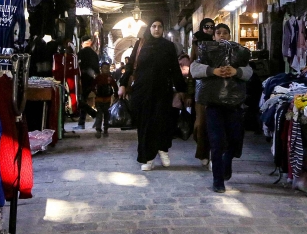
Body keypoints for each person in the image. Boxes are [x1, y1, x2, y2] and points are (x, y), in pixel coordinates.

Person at [118, 19, 186, 171]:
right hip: (142, 91)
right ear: (149, 28)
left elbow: (175, 69)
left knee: (162, 121)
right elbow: (130, 65)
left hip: (163, 90)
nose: (156, 29)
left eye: (159, 26)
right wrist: (122, 84)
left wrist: (182, 90)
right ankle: (147, 158)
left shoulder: (168, 46)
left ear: (163, 29)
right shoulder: (141, 44)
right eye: (154, 26)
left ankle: (162, 149)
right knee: (145, 124)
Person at [191, 23, 252, 193]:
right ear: (214, 36)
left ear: (230, 35)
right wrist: (213, 71)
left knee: (234, 141)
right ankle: (218, 181)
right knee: (216, 142)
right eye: (218, 33)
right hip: (214, 105)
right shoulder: (206, 51)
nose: (222, 35)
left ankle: (227, 163)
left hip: (234, 105)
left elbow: (248, 72)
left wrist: (236, 71)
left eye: (225, 33)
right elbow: (194, 69)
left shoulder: (239, 52)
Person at [190, 19, 215, 167]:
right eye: (206, 27)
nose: (209, 29)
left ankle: (214, 153)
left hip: (216, 86)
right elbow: (192, 65)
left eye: (212, 27)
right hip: (200, 87)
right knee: (201, 123)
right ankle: (203, 152)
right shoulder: (196, 44)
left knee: (214, 122)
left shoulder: (218, 44)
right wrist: (189, 92)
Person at [76, 39, 100, 130]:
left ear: (83, 43)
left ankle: (93, 114)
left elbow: (77, 66)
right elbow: (97, 69)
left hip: (82, 80)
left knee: (80, 100)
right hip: (91, 80)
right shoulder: (94, 54)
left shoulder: (81, 53)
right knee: (83, 100)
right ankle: (81, 123)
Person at [92, 63, 118, 138]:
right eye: (104, 68)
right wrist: (95, 92)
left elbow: (115, 86)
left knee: (106, 114)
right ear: (101, 69)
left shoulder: (110, 78)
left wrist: (116, 95)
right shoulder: (98, 77)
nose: (105, 69)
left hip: (107, 99)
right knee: (100, 114)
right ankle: (98, 130)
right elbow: (93, 86)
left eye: (107, 68)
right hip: (99, 99)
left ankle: (105, 129)